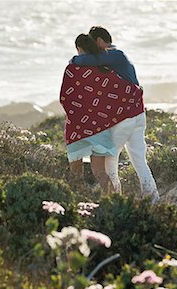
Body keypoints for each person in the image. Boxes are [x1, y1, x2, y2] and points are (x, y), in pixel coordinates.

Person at [71, 26, 160, 202]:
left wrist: (75, 57)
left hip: (125, 119)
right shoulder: (117, 57)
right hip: (138, 115)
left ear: (98, 41)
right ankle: (153, 199)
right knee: (139, 160)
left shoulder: (114, 55)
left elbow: (82, 61)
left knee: (108, 161)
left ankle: (115, 200)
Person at [67, 34, 115, 188]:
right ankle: (114, 203)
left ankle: (77, 204)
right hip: (101, 126)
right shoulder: (105, 69)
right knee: (100, 172)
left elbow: (65, 97)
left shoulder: (72, 69)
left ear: (79, 49)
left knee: (76, 171)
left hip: (77, 127)